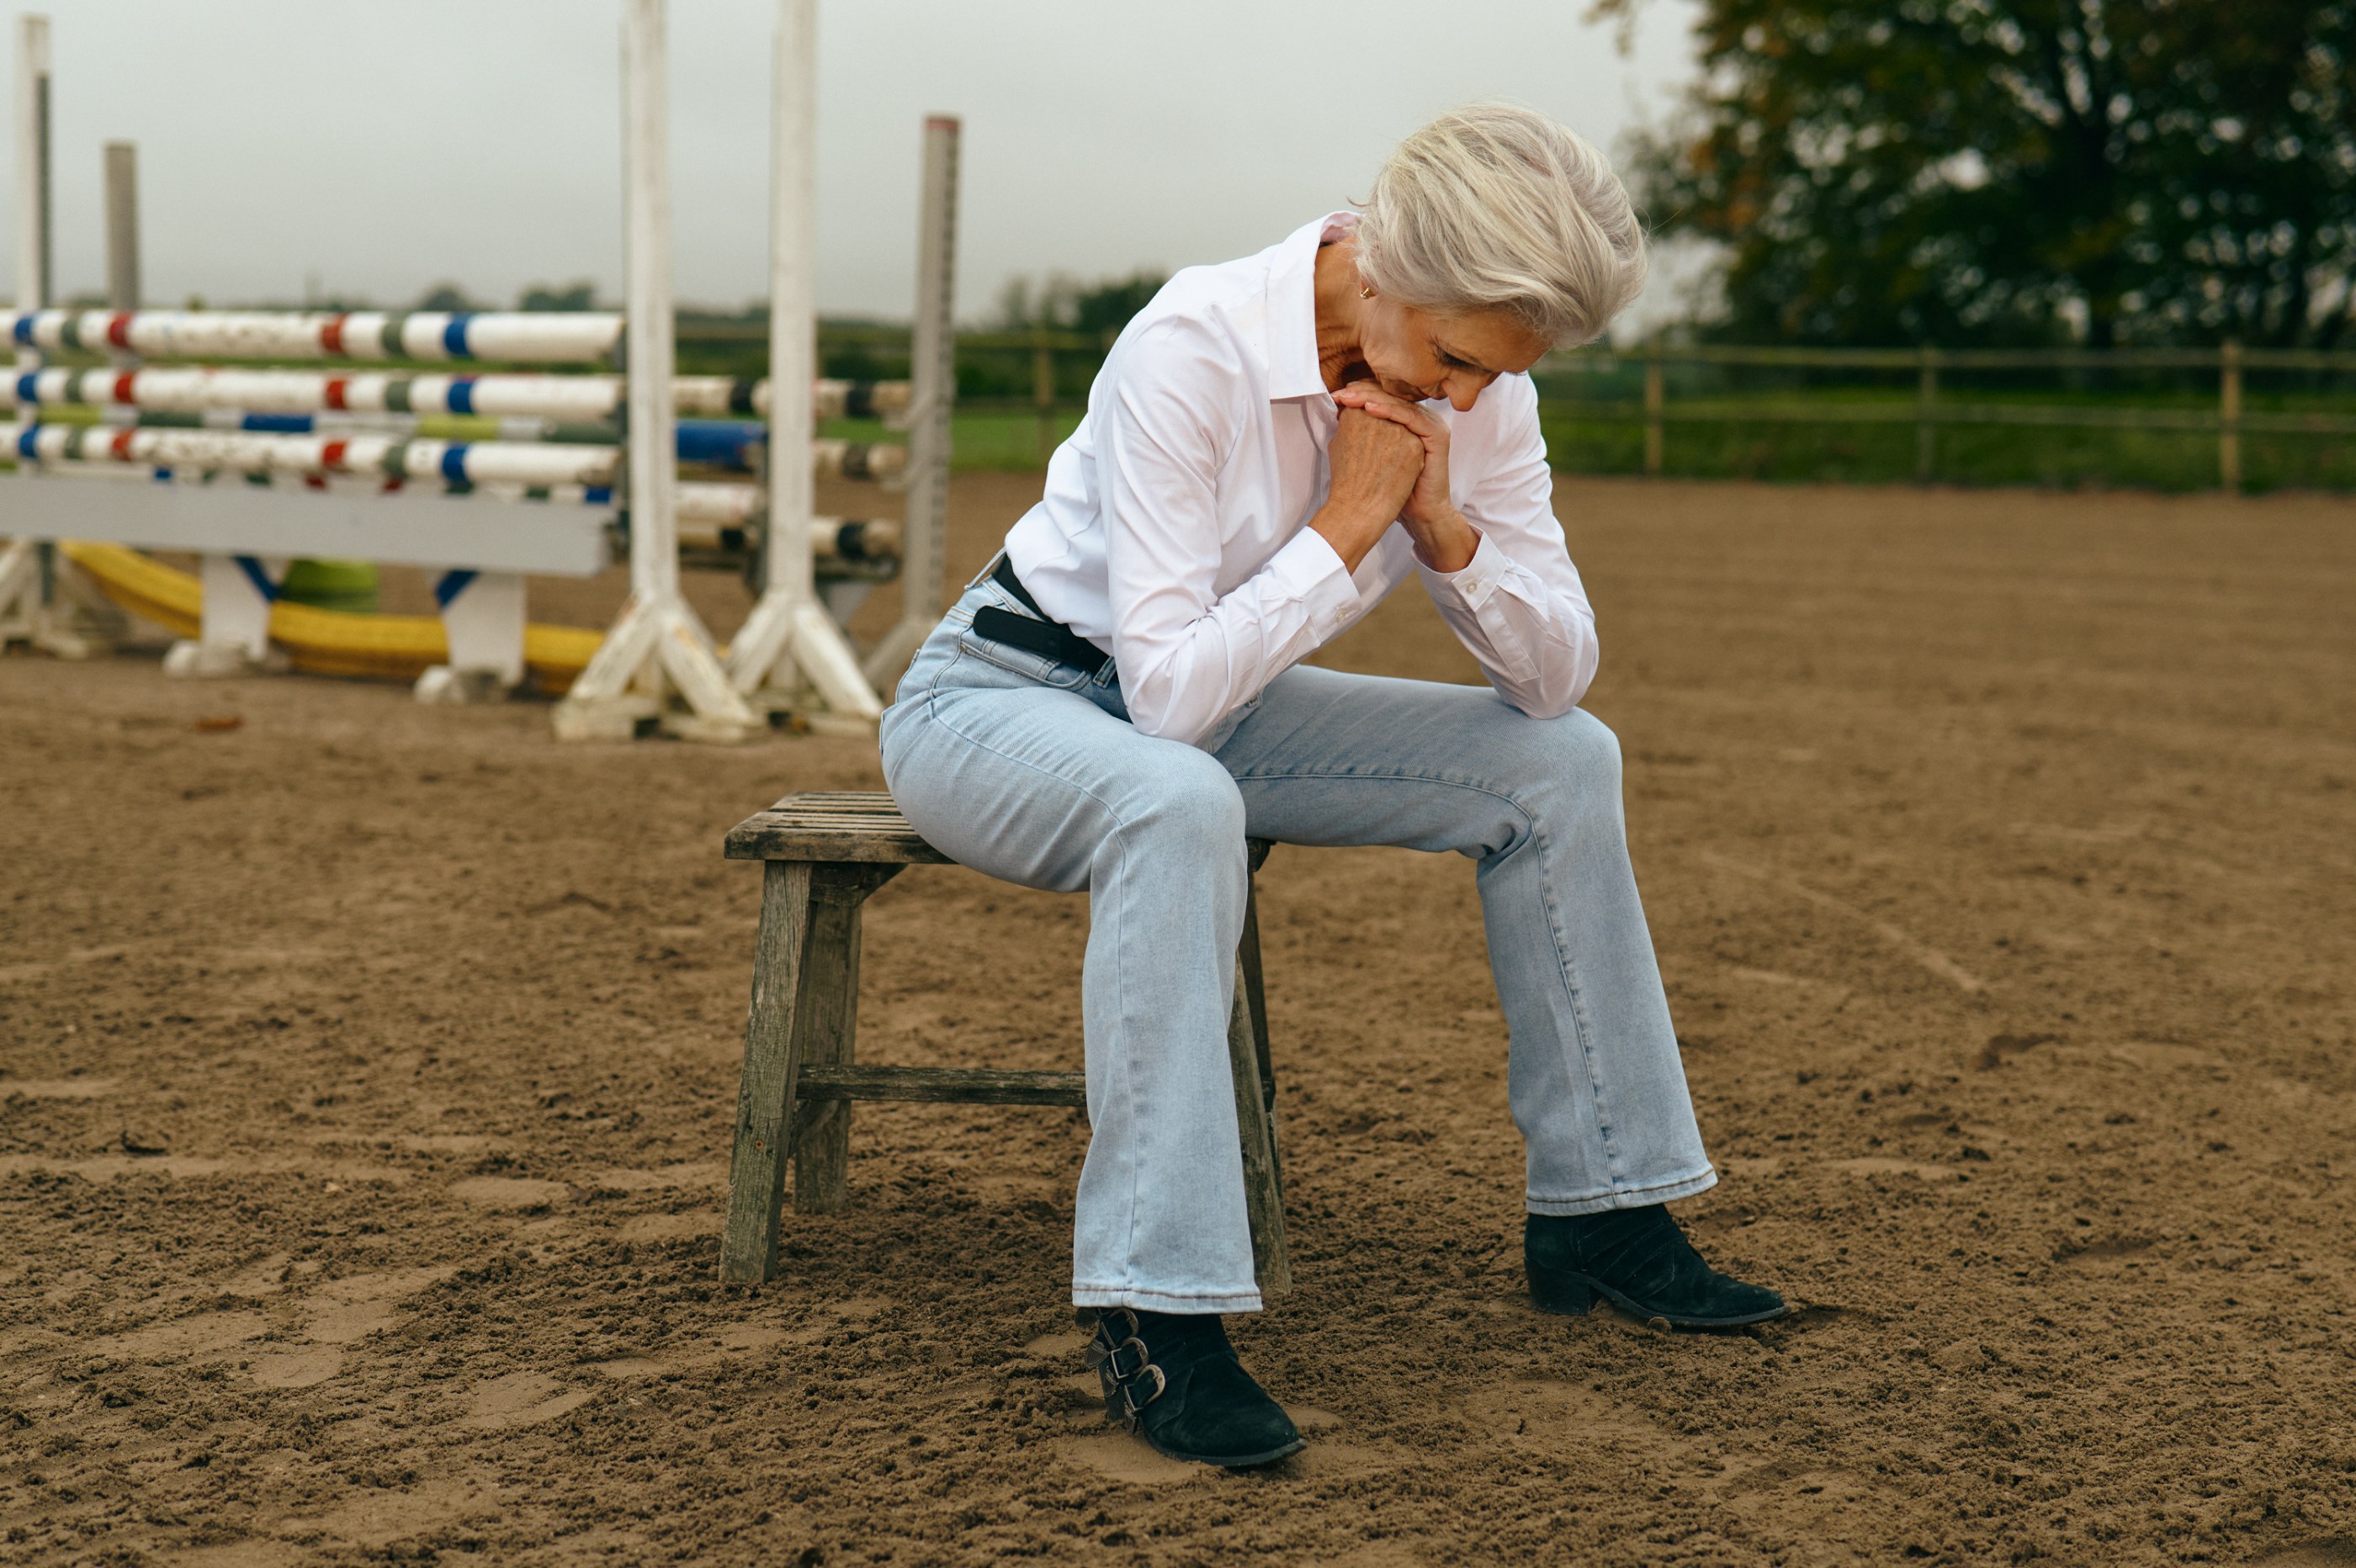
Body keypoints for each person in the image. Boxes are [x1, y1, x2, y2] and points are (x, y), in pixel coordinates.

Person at [879, 103, 1785, 1470]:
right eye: (1461, 360)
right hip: (1005, 697)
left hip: (1217, 708)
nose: (1471, 400)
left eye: (1504, 374)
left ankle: (1603, 1214)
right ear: (1389, 265)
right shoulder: (1191, 345)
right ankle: (1152, 1303)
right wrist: (1349, 522)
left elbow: (1555, 679)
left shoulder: (1479, 393)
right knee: (1174, 802)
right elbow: (1166, 699)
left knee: (1561, 764)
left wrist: (1446, 529)